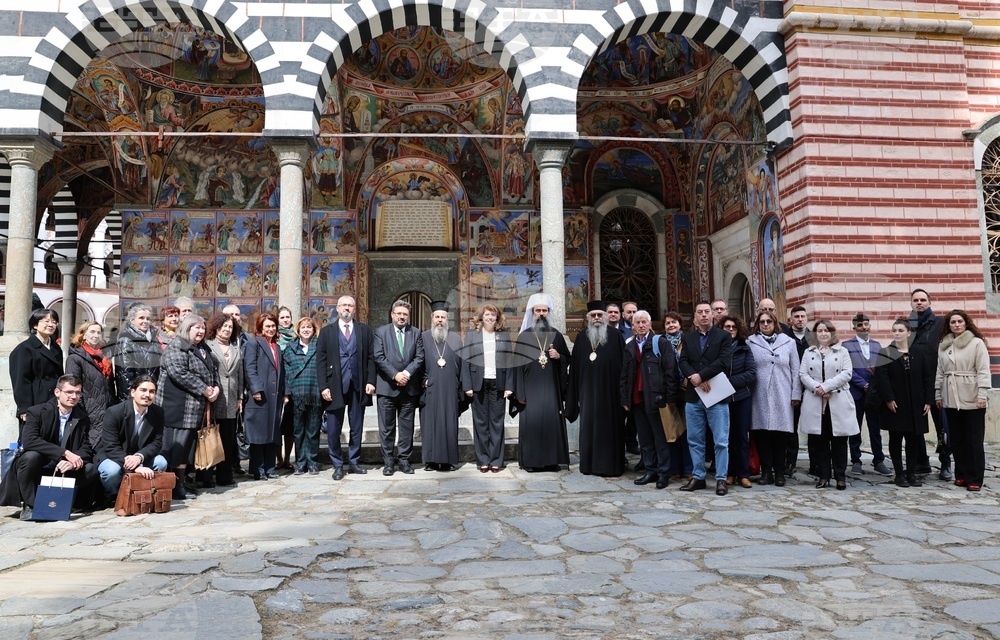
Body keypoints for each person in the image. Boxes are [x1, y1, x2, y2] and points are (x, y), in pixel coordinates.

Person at [0, 374, 98, 521]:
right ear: (57, 392)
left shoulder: (81, 416)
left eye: (78, 392)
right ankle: (31, 505)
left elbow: (86, 447)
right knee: (31, 457)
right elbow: (30, 441)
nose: (74, 396)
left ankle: (67, 501)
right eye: (69, 392)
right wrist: (64, 453)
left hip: (63, 469)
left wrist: (72, 461)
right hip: (39, 466)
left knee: (90, 468)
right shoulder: (37, 411)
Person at [157, 313, 220, 500]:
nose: (201, 331)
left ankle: (181, 484)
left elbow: (212, 369)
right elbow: (179, 372)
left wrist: (215, 387)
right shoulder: (177, 345)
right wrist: (205, 389)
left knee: (186, 448)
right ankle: (174, 486)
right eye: (196, 327)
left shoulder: (202, 347)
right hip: (177, 407)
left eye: (202, 328)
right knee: (177, 446)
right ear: (187, 328)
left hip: (194, 407)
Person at [510, 293, 571, 472]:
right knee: (532, 424)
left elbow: (569, 358)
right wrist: (519, 393)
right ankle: (531, 462)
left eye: (545, 310)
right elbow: (516, 368)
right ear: (532, 312)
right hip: (530, 390)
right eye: (538, 311)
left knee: (551, 423)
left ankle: (552, 461)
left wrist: (559, 357)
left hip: (552, 389)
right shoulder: (524, 337)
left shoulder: (557, 336)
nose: (542, 314)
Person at [317, 295, 376, 480]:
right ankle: (337, 464)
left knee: (356, 426)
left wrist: (371, 381)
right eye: (344, 305)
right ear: (337, 308)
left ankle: (354, 461)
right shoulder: (327, 332)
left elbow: (371, 358)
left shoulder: (364, 330)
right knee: (334, 428)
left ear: (354, 309)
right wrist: (323, 386)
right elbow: (320, 361)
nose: (347, 308)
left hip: (358, 385)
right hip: (334, 386)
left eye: (350, 305)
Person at [678, 301, 733, 495]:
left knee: (720, 440)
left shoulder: (724, 336)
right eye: (699, 312)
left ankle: (720, 479)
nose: (703, 315)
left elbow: (724, 361)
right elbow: (683, 360)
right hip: (694, 396)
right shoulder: (689, 337)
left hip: (716, 394)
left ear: (712, 315)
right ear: (695, 316)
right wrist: (695, 378)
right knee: (694, 439)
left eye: (707, 312)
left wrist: (701, 376)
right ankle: (698, 476)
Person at [567, 301, 626, 477]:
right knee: (589, 428)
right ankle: (589, 465)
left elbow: (624, 367)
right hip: (588, 394)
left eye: (600, 315)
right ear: (588, 318)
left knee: (610, 429)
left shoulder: (616, 336)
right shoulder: (581, 337)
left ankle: (611, 466)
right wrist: (574, 396)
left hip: (611, 395)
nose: (597, 318)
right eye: (593, 315)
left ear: (605, 316)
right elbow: (575, 368)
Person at [620, 310, 678, 488]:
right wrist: (624, 399)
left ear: (650, 325)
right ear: (633, 326)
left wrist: (669, 397)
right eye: (637, 323)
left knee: (660, 438)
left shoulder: (660, 343)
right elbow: (623, 375)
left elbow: (671, 371)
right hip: (637, 400)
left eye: (644, 322)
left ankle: (663, 473)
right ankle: (650, 471)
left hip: (656, 398)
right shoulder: (629, 346)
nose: (641, 325)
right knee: (644, 439)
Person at [935, 310, 991, 491]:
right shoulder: (943, 345)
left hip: (972, 395)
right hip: (950, 397)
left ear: (966, 323)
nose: (957, 324)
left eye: (960, 321)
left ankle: (975, 477)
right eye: (953, 322)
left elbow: (983, 370)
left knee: (973, 439)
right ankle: (961, 474)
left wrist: (982, 394)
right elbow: (940, 372)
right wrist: (938, 394)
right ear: (948, 325)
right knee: (957, 439)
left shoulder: (976, 343)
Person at [874, 318, 933, 487]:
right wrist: (888, 399)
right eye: (895, 330)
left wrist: (928, 400)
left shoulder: (918, 352)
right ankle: (899, 474)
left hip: (916, 403)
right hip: (895, 403)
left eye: (900, 330)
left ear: (909, 332)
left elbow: (927, 377)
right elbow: (881, 378)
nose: (897, 333)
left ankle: (911, 473)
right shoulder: (886, 352)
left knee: (914, 438)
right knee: (896, 438)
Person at [799, 320, 857, 490]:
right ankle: (824, 476)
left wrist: (826, 387)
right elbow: (802, 374)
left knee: (839, 441)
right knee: (820, 442)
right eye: (820, 330)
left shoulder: (843, 351)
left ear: (832, 333)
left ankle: (840, 476)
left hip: (837, 400)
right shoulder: (808, 352)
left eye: (826, 330)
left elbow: (847, 373)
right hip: (816, 401)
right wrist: (817, 388)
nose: (823, 333)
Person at [747, 310, 800, 486]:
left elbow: (795, 370)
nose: (766, 324)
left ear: (775, 322)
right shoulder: (751, 342)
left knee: (780, 436)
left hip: (782, 393)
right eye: (762, 321)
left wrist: (795, 394)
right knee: (762, 435)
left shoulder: (789, 342)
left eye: (769, 321)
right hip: (759, 394)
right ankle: (766, 472)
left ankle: (780, 473)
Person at [97, 375, 168, 502]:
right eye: (143, 390)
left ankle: (143, 492)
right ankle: (113, 496)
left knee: (161, 462)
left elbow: (156, 443)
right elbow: (111, 446)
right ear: (133, 392)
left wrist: (139, 457)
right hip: (114, 455)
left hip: (138, 455)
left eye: (152, 392)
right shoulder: (114, 412)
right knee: (111, 471)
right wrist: (135, 467)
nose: (147, 395)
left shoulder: (158, 412)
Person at [373, 300, 424, 475]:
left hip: (408, 388)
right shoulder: (381, 332)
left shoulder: (416, 333)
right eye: (399, 313)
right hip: (387, 388)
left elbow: (419, 357)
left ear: (408, 317)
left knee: (406, 427)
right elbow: (379, 357)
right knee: (386, 428)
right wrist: (395, 375)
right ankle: (388, 462)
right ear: (392, 314)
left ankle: (404, 461)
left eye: (405, 314)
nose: (402, 317)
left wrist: (407, 374)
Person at [461, 302, 513, 473]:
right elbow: (465, 360)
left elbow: (509, 361)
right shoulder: (472, 335)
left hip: (498, 383)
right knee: (481, 423)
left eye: (493, 315)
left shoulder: (503, 334)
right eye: (487, 315)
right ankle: (483, 459)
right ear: (481, 317)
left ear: (497, 318)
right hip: (478, 383)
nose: (490, 317)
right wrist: (467, 385)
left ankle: (496, 460)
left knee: (497, 423)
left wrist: (509, 386)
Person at [909, 288, 952, 480]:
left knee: (943, 425)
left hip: (937, 382)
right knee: (916, 424)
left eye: (923, 300)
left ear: (929, 302)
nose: (919, 303)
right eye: (916, 300)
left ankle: (945, 463)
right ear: (911, 303)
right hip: (915, 383)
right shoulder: (908, 324)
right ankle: (921, 462)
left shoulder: (941, 323)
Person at [419, 302, 465, 471]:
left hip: (450, 388)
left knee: (449, 422)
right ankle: (430, 461)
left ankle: (449, 460)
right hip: (429, 387)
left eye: (443, 317)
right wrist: (422, 379)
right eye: (437, 317)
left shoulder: (455, 338)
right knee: (429, 423)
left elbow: (462, 364)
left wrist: (462, 386)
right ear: (432, 318)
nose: (440, 320)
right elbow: (417, 361)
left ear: (447, 320)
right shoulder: (423, 337)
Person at [843, 313, 891, 476]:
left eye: (866, 324)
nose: (864, 327)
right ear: (854, 327)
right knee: (854, 427)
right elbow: (847, 369)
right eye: (860, 325)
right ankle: (856, 460)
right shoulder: (846, 345)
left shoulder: (878, 346)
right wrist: (863, 384)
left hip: (875, 394)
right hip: (856, 392)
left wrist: (876, 378)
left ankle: (878, 459)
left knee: (875, 427)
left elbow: (882, 369)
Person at [244, 313, 286, 480]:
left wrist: (286, 393)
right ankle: (257, 469)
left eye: (273, 326)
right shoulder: (254, 344)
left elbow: (282, 372)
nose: (271, 329)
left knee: (272, 433)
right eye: (267, 326)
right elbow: (250, 368)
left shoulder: (277, 347)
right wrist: (255, 389)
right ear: (260, 328)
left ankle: (270, 468)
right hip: (260, 395)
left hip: (275, 396)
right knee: (259, 433)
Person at [204, 313, 243, 487]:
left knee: (227, 439)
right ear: (217, 327)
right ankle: (206, 476)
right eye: (224, 326)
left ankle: (225, 475)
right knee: (211, 438)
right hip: (214, 398)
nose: (227, 330)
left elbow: (239, 375)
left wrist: (240, 397)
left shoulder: (236, 347)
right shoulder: (208, 346)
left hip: (232, 398)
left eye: (230, 327)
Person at [66, 321, 117, 449]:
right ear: (83, 335)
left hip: (106, 410)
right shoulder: (75, 358)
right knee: (90, 446)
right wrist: (81, 411)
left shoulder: (104, 357)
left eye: (99, 332)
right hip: (88, 412)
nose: (96, 335)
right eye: (92, 332)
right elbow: (73, 388)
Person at [282, 317, 322, 475]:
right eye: (303, 327)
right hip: (297, 394)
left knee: (313, 430)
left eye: (309, 327)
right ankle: (300, 463)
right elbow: (285, 373)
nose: (306, 330)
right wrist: (287, 393)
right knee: (298, 431)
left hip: (315, 392)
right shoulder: (290, 349)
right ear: (298, 331)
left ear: (314, 330)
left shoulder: (320, 346)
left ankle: (312, 462)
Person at [10, 308, 64, 425]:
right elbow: (21, 381)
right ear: (35, 325)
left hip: (54, 401)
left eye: (54, 322)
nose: (51, 325)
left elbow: (60, 376)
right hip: (35, 402)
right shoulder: (24, 348)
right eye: (46, 321)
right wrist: (24, 407)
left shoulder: (56, 348)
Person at [721, 315, 757, 488]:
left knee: (742, 437)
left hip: (742, 398)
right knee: (725, 437)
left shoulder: (745, 348)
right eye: (727, 326)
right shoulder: (717, 348)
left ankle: (743, 474)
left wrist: (729, 382)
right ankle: (729, 473)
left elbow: (751, 373)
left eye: (733, 327)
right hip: (722, 398)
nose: (730, 329)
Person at [662, 311, 692, 479]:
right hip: (669, 393)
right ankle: (675, 469)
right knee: (672, 431)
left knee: (688, 432)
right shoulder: (660, 342)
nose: (671, 325)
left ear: (680, 325)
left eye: (674, 322)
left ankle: (688, 468)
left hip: (687, 391)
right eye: (668, 323)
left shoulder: (687, 341)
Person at [114, 304, 162, 402]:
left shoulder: (154, 340)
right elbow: (125, 376)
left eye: (148, 318)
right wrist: (132, 399)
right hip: (135, 399)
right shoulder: (126, 341)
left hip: (151, 396)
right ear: (132, 320)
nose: (145, 321)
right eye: (141, 318)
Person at [783, 304, 810, 475]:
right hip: (791, 388)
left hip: (811, 389)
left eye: (803, 316)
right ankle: (790, 462)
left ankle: (816, 463)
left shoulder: (814, 338)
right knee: (791, 428)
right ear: (790, 319)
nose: (800, 320)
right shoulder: (785, 338)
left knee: (814, 428)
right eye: (797, 316)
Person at [274, 306, 297, 470]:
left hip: (294, 386)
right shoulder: (275, 338)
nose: (285, 320)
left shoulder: (297, 337)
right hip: (277, 386)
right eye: (282, 318)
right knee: (276, 426)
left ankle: (288, 458)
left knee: (289, 427)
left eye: (287, 317)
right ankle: (278, 458)